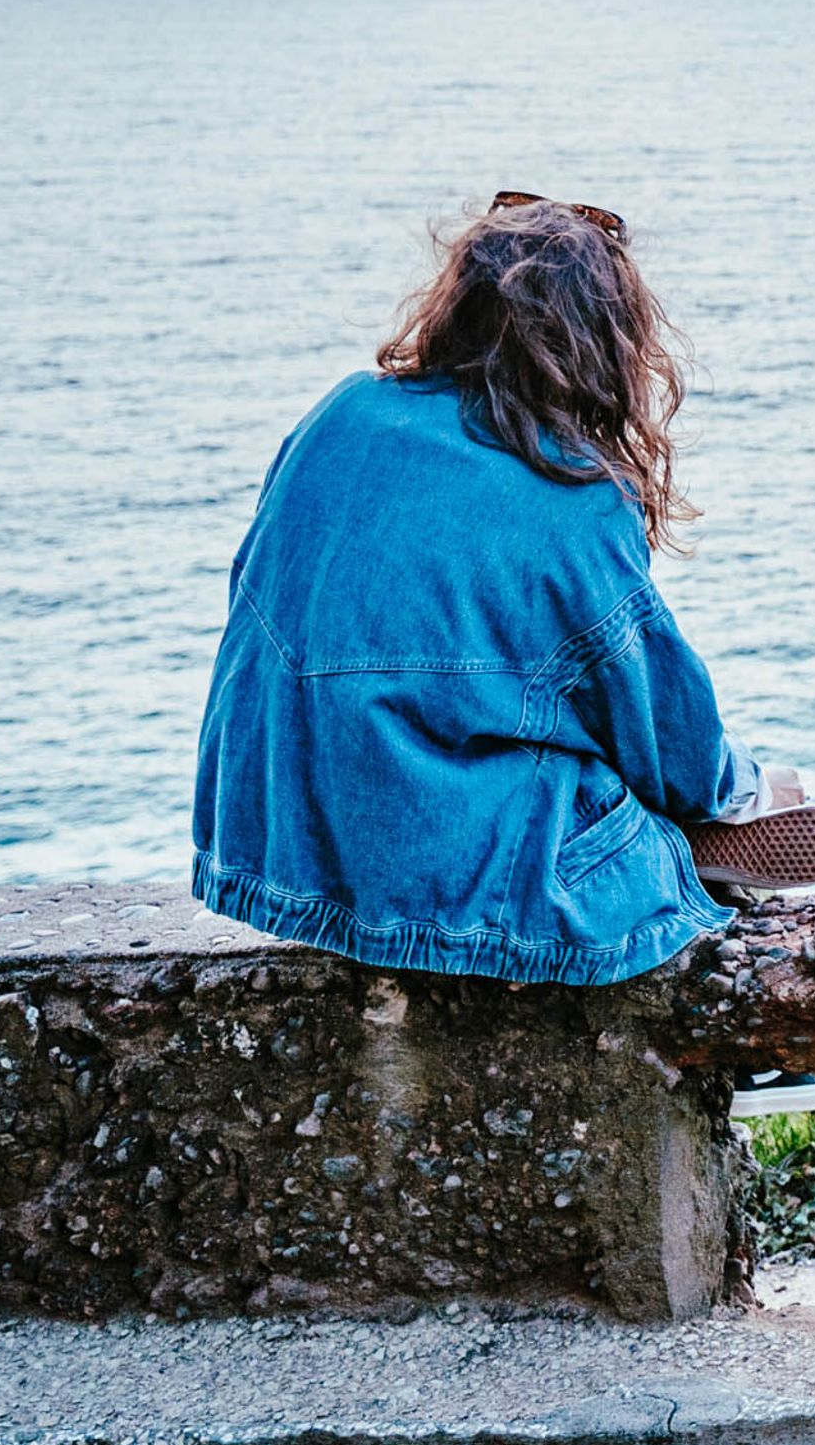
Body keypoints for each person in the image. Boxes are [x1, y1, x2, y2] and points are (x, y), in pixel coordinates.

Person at [194, 191, 779, 985]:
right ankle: (732, 1017)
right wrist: (741, 785)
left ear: (457, 307)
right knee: (666, 800)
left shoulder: (341, 415)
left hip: (273, 851)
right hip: (446, 879)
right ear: (605, 345)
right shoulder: (571, 493)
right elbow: (662, 735)